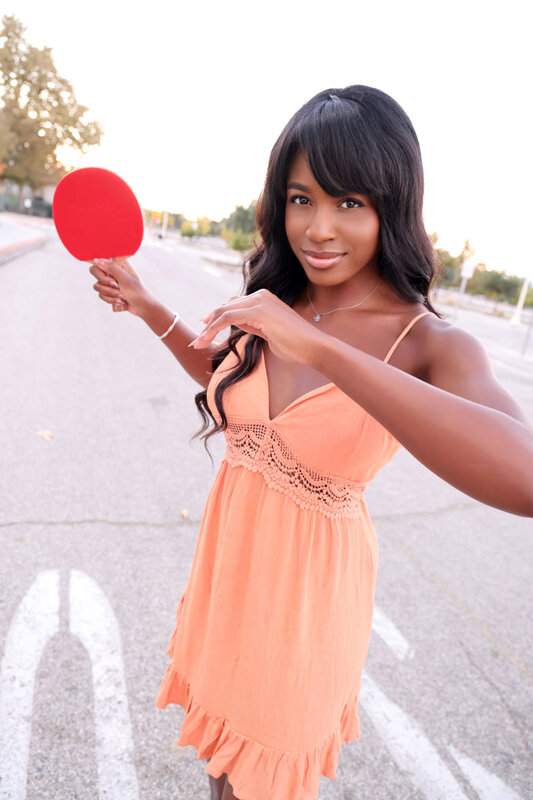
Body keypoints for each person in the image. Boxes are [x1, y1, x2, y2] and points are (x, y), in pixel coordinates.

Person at [89, 85, 533, 800]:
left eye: (348, 202)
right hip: (230, 576)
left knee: (260, 782)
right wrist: (150, 309)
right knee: (221, 772)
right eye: (301, 199)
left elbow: (525, 477)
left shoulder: (428, 342)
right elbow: (234, 383)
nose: (318, 229)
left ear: (392, 204)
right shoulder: (280, 295)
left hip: (304, 606)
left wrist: (321, 349)